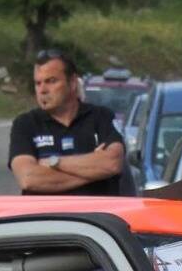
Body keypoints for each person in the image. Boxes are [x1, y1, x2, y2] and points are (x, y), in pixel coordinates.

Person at [7, 49, 127, 196]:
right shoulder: (25, 124)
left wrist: (54, 163)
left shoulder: (101, 117)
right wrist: (94, 172)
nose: (42, 90)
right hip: (47, 216)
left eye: (51, 81)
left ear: (72, 83)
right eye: (38, 83)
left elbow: (112, 163)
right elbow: (29, 179)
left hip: (94, 216)